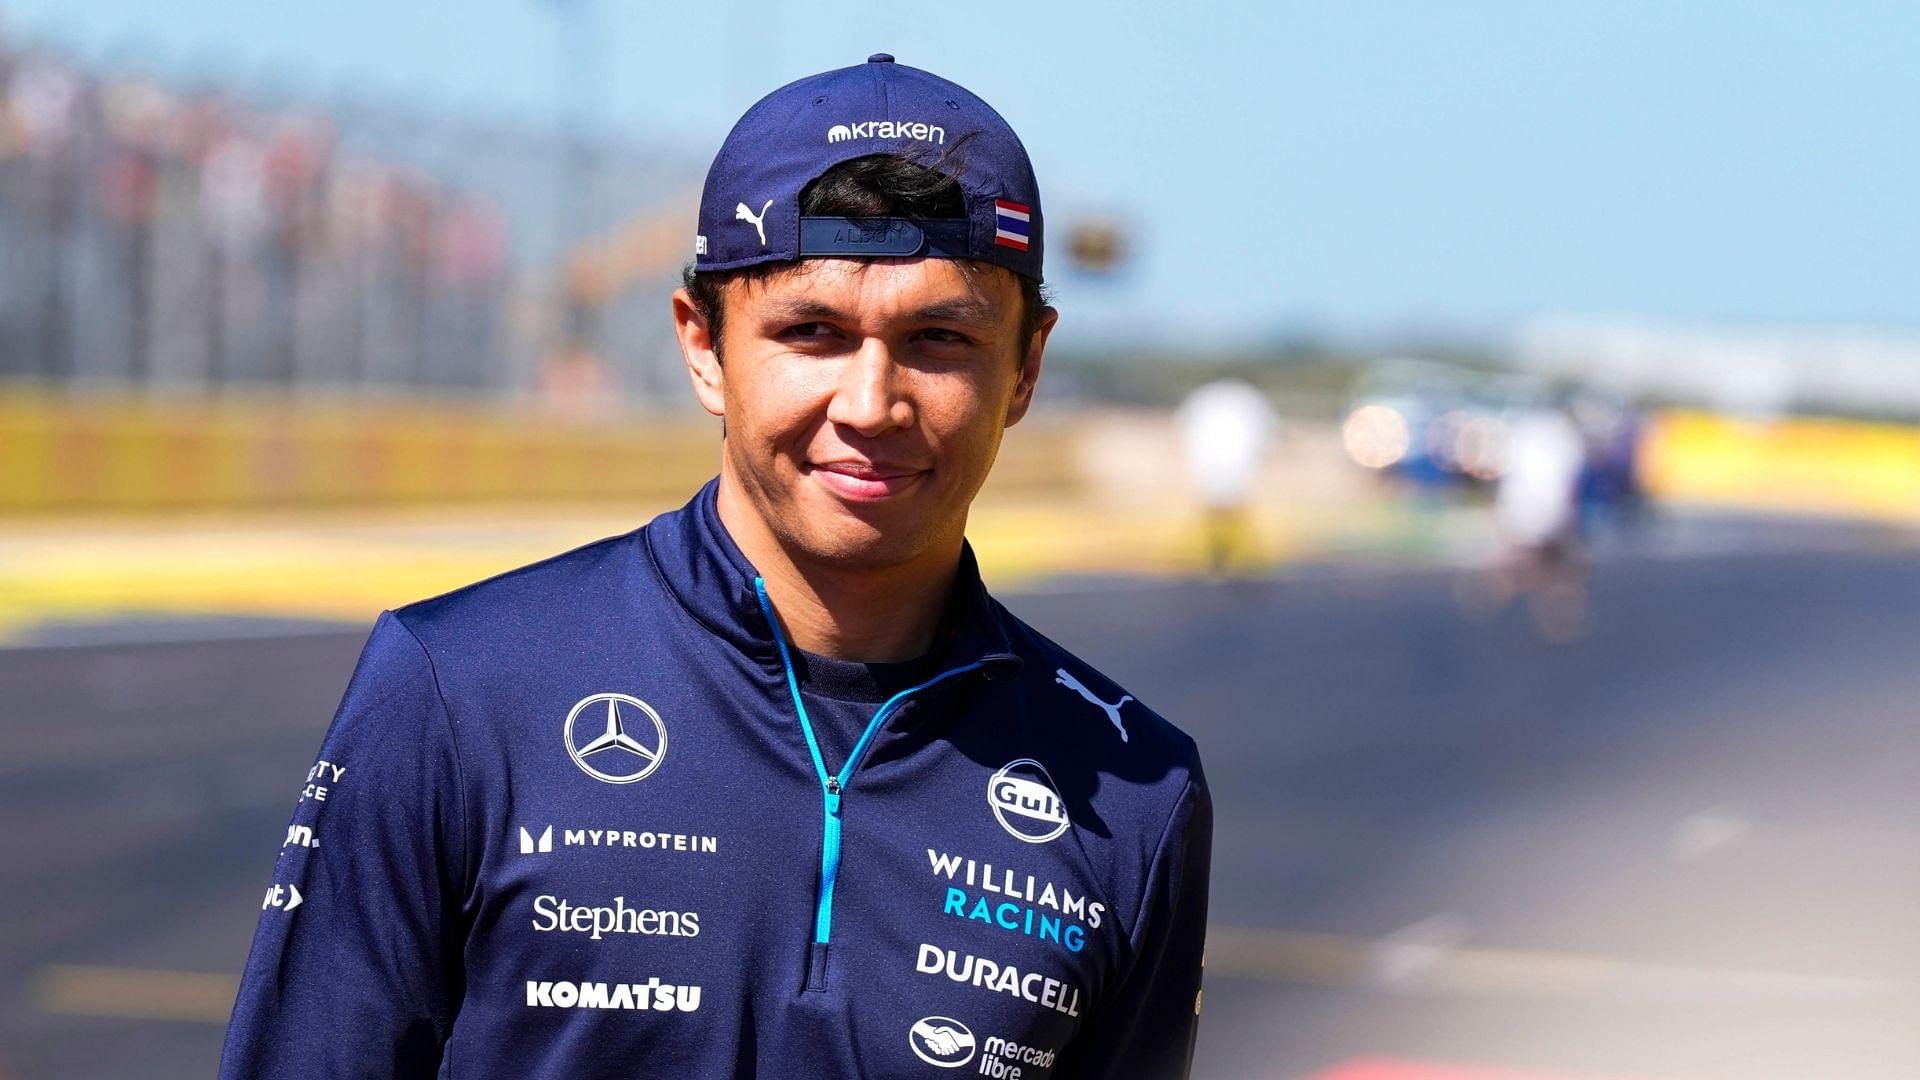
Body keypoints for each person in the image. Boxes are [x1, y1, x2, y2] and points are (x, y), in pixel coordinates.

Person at [220, 54, 1212, 1079]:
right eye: (811, 332)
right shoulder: (454, 690)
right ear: (703, 346)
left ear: (1026, 369)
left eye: (939, 339)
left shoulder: (1139, 792)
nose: (872, 404)